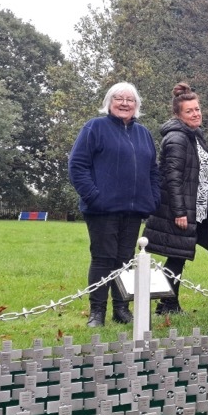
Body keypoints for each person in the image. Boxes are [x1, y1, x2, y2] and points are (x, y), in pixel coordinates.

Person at [68, 82, 160, 328]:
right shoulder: (94, 128)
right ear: (109, 102)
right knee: (103, 258)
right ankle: (97, 312)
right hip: (102, 210)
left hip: (133, 210)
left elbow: (153, 170)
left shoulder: (144, 133)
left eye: (130, 100)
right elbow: (77, 166)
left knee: (125, 260)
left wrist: (153, 198)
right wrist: (94, 197)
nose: (124, 103)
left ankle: (122, 308)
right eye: (119, 98)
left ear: (137, 105)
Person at [143, 82, 208, 314]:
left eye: (197, 109)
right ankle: (167, 303)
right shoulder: (177, 139)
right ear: (178, 114)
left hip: (195, 207)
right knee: (176, 257)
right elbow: (171, 178)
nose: (196, 113)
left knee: (179, 257)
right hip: (180, 209)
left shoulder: (194, 135)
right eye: (189, 111)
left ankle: (169, 302)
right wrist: (180, 212)